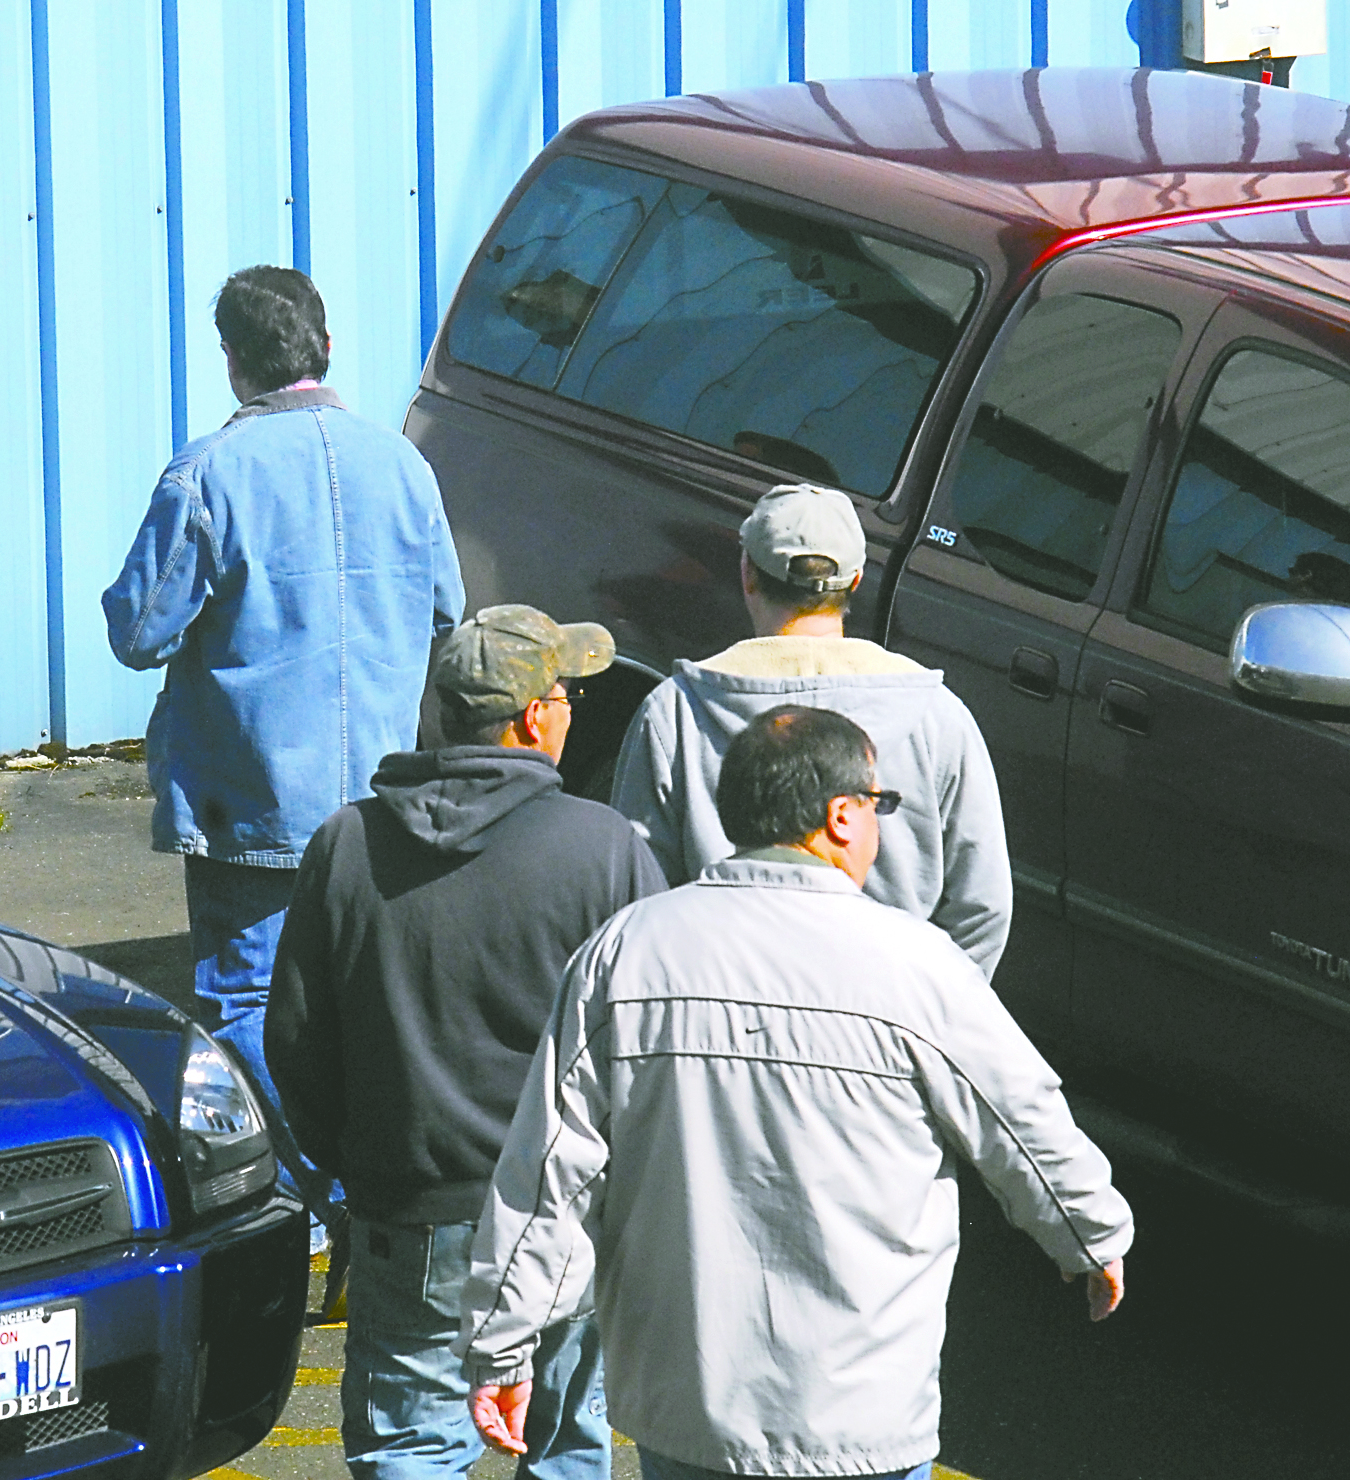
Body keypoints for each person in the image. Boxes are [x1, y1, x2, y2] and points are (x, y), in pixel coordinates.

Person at [461, 705, 1132, 1480]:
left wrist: (504, 1340)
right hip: (862, 1413)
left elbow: (550, 1166)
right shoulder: (917, 964)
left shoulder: (629, 951)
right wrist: (1089, 1235)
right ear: (842, 816)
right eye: (880, 806)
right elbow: (1022, 1121)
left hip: (689, 1408)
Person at [102, 266, 465, 1230]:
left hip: (250, 793)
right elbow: (445, 610)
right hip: (380, 796)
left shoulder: (209, 474)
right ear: (327, 346)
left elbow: (138, 630)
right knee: (362, 1000)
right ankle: (372, 1191)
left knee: (248, 1004)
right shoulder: (401, 465)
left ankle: (327, 1197)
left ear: (232, 362)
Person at [266, 604, 665, 1480]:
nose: (571, 712)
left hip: (410, 1209)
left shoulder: (347, 843)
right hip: (568, 1210)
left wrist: (357, 1163)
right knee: (562, 1437)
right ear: (532, 719)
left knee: (410, 1445)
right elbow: (646, 1045)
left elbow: (295, 1035)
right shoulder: (602, 849)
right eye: (565, 696)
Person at [611, 483, 1011, 975]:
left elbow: (639, 892)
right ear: (857, 581)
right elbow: (983, 906)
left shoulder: (676, 711)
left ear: (746, 575)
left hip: (723, 1009)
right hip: (883, 1025)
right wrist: (925, 1014)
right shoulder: (939, 716)